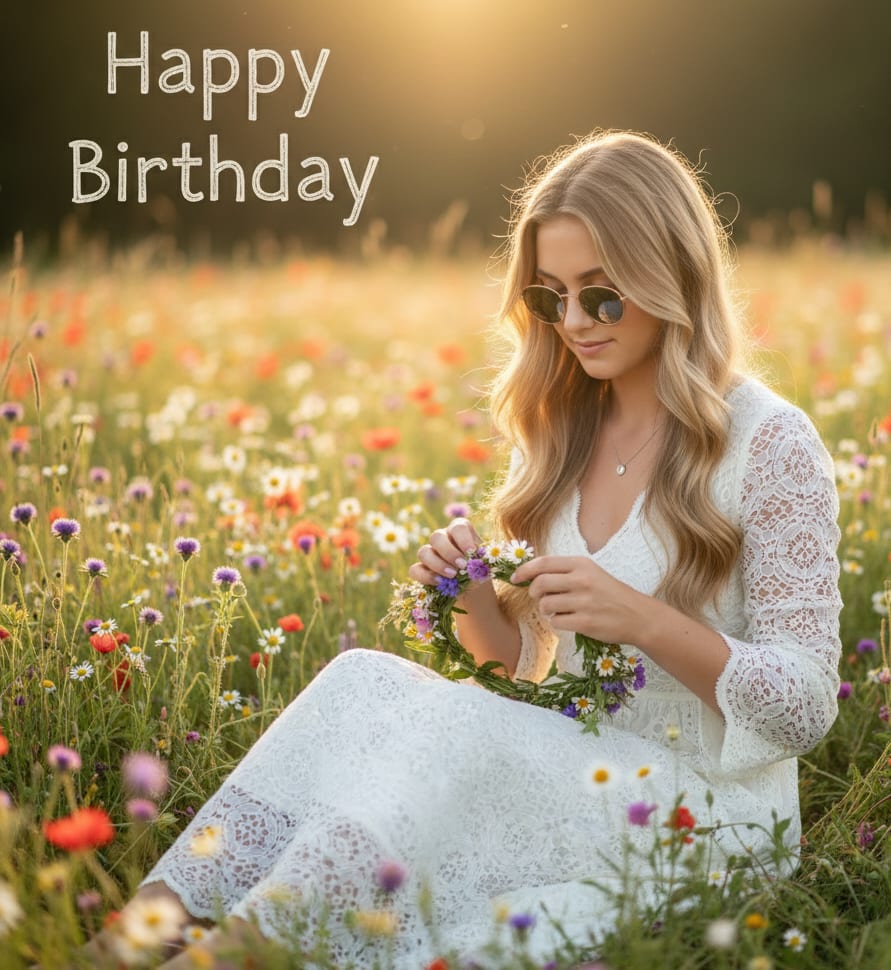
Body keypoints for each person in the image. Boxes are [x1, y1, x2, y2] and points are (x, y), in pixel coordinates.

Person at [90, 129, 843, 968]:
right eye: (548, 295)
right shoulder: (566, 424)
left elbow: (806, 704)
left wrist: (641, 620)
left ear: (673, 280)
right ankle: (131, 940)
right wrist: (476, 604)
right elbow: (521, 673)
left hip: (697, 811)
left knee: (452, 732)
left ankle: (236, 953)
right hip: (575, 766)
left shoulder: (769, 442)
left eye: (600, 295)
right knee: (358, 680)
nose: (571, 324)